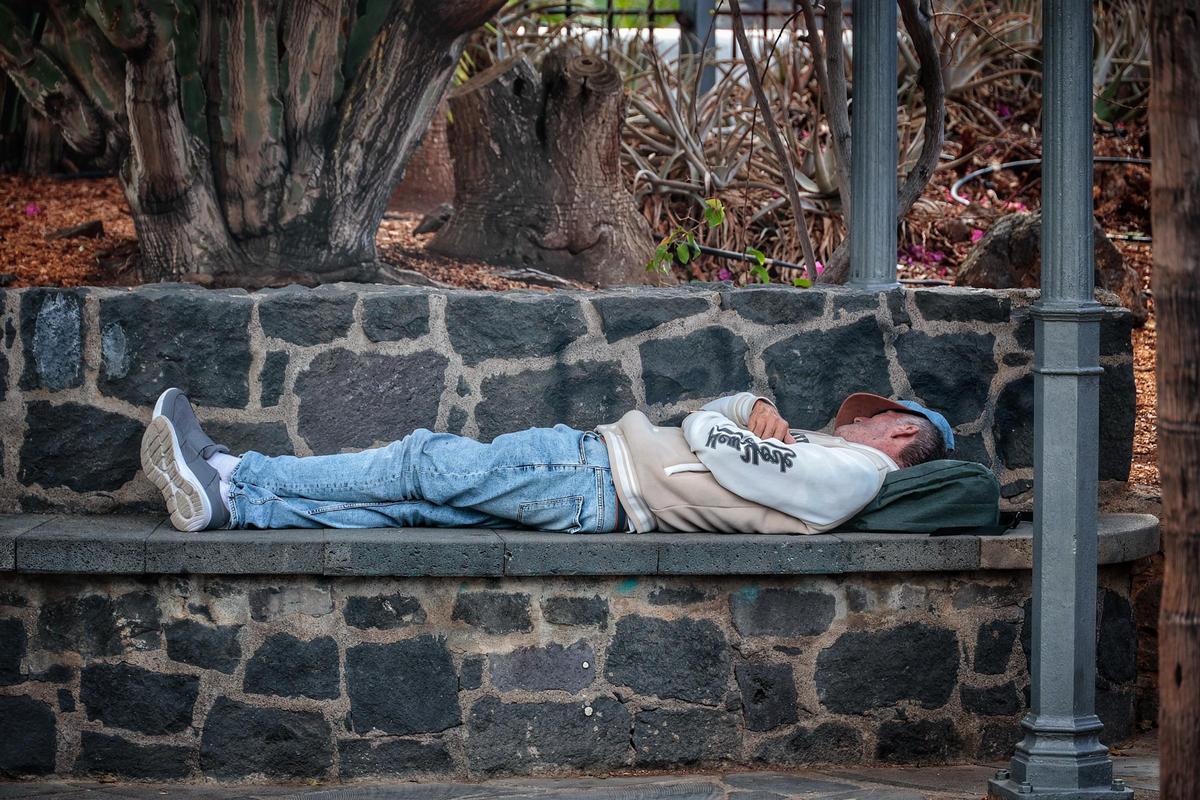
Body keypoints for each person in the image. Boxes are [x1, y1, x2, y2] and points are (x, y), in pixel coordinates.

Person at [141, 388, 952, 534]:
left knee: (420, 464)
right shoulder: (828, 458)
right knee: (411, 505)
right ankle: (241, 506)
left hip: (599, 476)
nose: (869, 413)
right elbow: (737, 430)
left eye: (880, 413)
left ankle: (236, 476)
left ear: (900, 435)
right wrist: (750, 405)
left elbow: (712, 442)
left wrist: (727, 413)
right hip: (598, 485)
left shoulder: (850, 474)